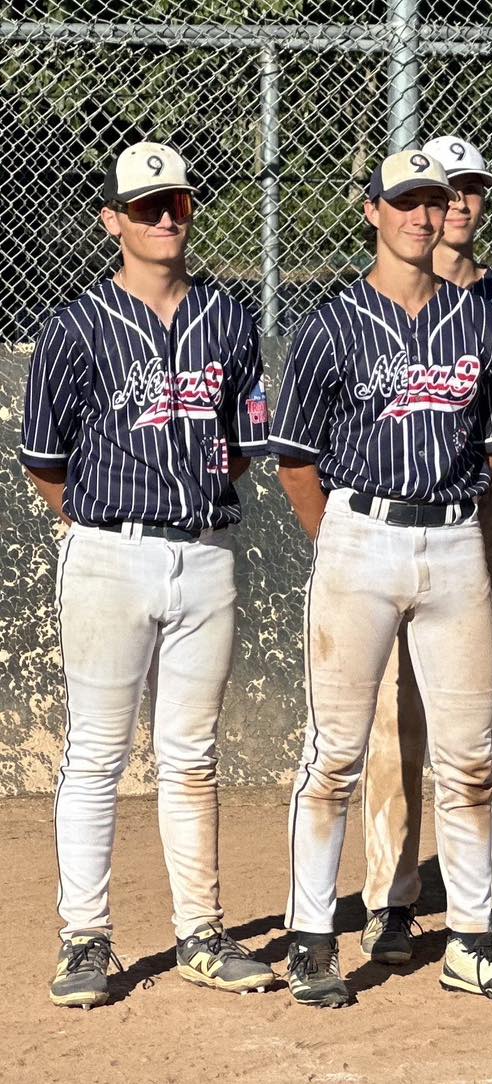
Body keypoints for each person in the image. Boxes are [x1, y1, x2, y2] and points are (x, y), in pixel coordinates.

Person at [270, 150, 492, 1008]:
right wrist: (341, 540)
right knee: (335, 756)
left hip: (457, 540)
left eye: (434, 202)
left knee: (468, 759)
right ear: (373, 212)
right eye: (405, 203)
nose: (423, 217)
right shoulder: (330, 324)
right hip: (361, 534)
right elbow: (294, 460)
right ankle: (312, 938)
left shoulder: (481, 323)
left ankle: (470, 938)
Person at [21, 141, 274, 1008]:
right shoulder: (76, 326)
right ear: (113, 221)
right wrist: (100, 525)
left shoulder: (227, 318)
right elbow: (45, 460)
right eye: (145, 206)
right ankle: (84, 938)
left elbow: (240, 446)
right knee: (97, 754)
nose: (165, 217)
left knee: (191, 755)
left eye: (177, 203)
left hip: (204, 550)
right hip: (108, 551)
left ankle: (200, 931)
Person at [356, 136, 492, 970]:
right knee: (397, 714)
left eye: (469, 189)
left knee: (490, 713)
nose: (456, 204)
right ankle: (390, 897)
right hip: (397, 524)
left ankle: (488, 895)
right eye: (441, 191)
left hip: (487, 519)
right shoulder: (376, 301)